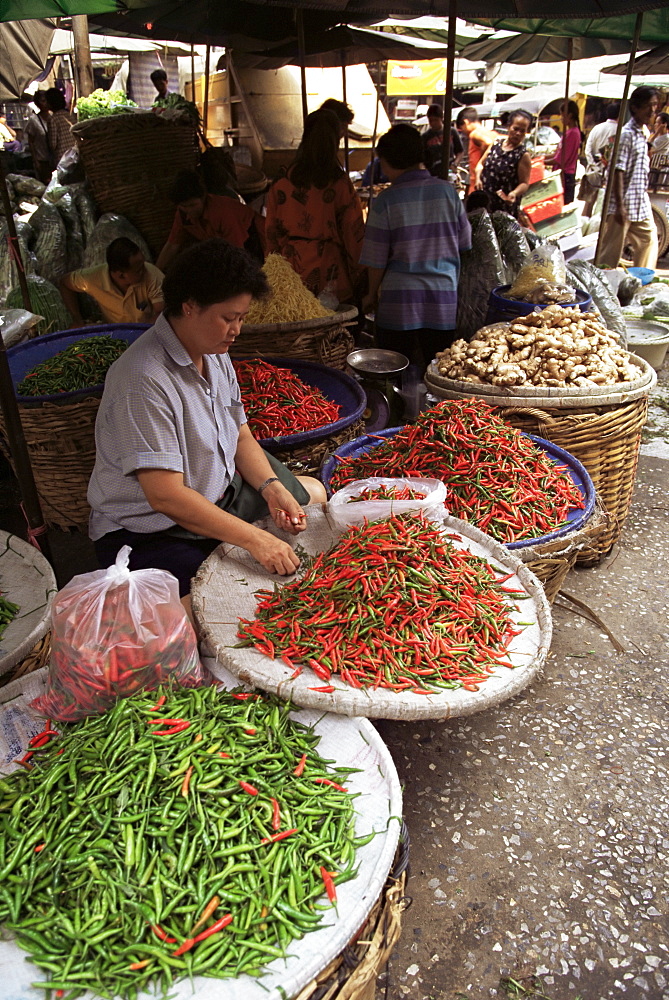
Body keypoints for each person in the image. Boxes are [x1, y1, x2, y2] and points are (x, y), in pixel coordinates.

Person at [88, 238, 326, 600]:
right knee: (208, 601)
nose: (237, 330)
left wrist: (270, 487)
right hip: (153, 528)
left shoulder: (213, 351)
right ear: (189, 307)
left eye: (242, 318)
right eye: (228, 318)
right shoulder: (142, 379)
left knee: (311, 497)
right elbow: (166, 497)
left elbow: (240, 435)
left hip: (218, 493)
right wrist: (255, 539)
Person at [360, 124, 472, 372]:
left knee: (394, 374)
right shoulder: (448, 192)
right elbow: (464, 243)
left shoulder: (386, 201)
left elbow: (376, 261)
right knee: (439, 372)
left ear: (388, 161)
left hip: (398, 303)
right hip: (442, 300)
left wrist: (370, 295)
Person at [264, 109, 365, 305]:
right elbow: (355, 237)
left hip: (291, 274)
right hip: (332, 277)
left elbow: (271, 236)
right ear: (336, 139)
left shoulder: (282, 183)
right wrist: (361, 277)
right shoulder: (340, 184)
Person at [599, 86, 660, 270]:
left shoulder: (643, 133)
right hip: (622, 203)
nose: (652, 110)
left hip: (639, 202)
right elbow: (618, 171)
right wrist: (619, 206)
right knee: (609, 255)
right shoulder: (626, 135)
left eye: (655, 105)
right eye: (648, 106)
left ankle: (643, 281)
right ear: (635, 107)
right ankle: (600, 287)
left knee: (648, 240)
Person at [156, 170, 265, 271]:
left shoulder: (223, 212)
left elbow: (238, 252)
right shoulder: (183, 214)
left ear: (203, 197)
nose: (189, 210)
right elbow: (171, 246)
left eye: (192, 205)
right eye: (184, 206)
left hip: (257, 240)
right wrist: (155, 272)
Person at [60, 238, 164, 327]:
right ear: (121, 275)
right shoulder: (93, 278)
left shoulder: (152, 276)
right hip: (115, 337)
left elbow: (162, 313)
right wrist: (76, 318)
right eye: (138, 270)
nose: (144, 269)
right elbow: (65, 283)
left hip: (147, 334)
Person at [476, 110, 533, 218]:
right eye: (515, 129)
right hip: (485, 203)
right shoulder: (496, 143)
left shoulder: (522, 155)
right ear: (509, 126)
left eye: (522, 131)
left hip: (503, 207)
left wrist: (514, 193)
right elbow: (481, 164)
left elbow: (524, 183)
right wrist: (478, 178)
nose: (518, 133)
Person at [580, 102, 620, 217]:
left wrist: (593, 165)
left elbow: (587, 149)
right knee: (605, 205)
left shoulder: (597, 128)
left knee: (589, 204)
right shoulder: (620, 130)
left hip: (593, 170)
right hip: (609, 173)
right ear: (619, 115)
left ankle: (584, 229)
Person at [547, 100, 582, 205]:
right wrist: (540, 158)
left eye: (562, 115)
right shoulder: (569, 132)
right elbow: (557, 153)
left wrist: (542, 162)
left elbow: (559, 159)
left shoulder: (573, 133)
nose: (561, 118)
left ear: (569, 115)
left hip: (565, 176)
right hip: (562, 174)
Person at [456, 107, 498, 193]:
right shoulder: (492, 133)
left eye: (462, 128)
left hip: (478, 182)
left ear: (466, 122)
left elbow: (488, 142)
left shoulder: (475, 134)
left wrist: (481, 162)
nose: (463, 132)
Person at [420, 104, 463, 177]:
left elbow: (460, 152)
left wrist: (455, 164)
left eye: (436, 120)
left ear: (441, 118)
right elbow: (421, 159)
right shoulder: (425, 136)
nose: (433, 123)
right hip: (432, 174)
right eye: (431, 120)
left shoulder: (451, 131)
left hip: (449, 172)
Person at [24, 90, 51, 184]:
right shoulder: (34, 120)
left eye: (47, 100)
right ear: (37, 103)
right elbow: (31, 142)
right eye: (43, 101)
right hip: (43, 161)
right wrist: (36, 161)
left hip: (56, 159)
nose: (45, 104)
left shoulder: (54, 117)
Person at [45, 87, 76, 168]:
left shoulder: (52, 119)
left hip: (62, 159)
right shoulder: (69, 115)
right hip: (74, 155)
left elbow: (53, 145)